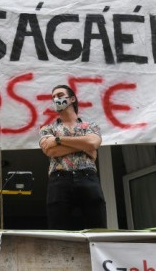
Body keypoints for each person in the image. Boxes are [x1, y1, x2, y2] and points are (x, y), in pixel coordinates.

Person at [39, 84, 106, 230]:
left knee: (96, 226)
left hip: (87, 177)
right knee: (58, 229)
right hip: (59, 179)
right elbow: (51, 152)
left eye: (60, 95)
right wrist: (84, 146)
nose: (56, 99)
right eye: (53, 97)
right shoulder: (47, 128)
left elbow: (93, 142)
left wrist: (58, 140)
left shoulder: (90, 125)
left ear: (72, 99)